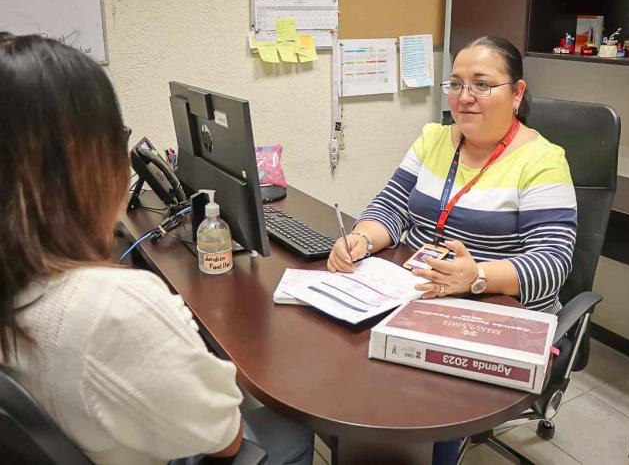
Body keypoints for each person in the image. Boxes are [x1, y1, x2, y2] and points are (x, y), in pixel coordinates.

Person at [0, 33, 313, 465]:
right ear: (81, 162)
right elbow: (227, 437)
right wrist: (173, 323)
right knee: (293, 432)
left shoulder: (18, 282)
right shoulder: (112, 307)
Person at [327, 35, 577, 464]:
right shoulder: (434, 139)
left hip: (498, 311)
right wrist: (362, 238)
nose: (465, 98)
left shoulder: (542, 161)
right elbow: (390, 206)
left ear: (516, 93)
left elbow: (552, 263)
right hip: (417, 294)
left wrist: (475, 276)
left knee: (421, 403)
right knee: (345, 366)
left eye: (482, 84)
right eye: (456, 84)